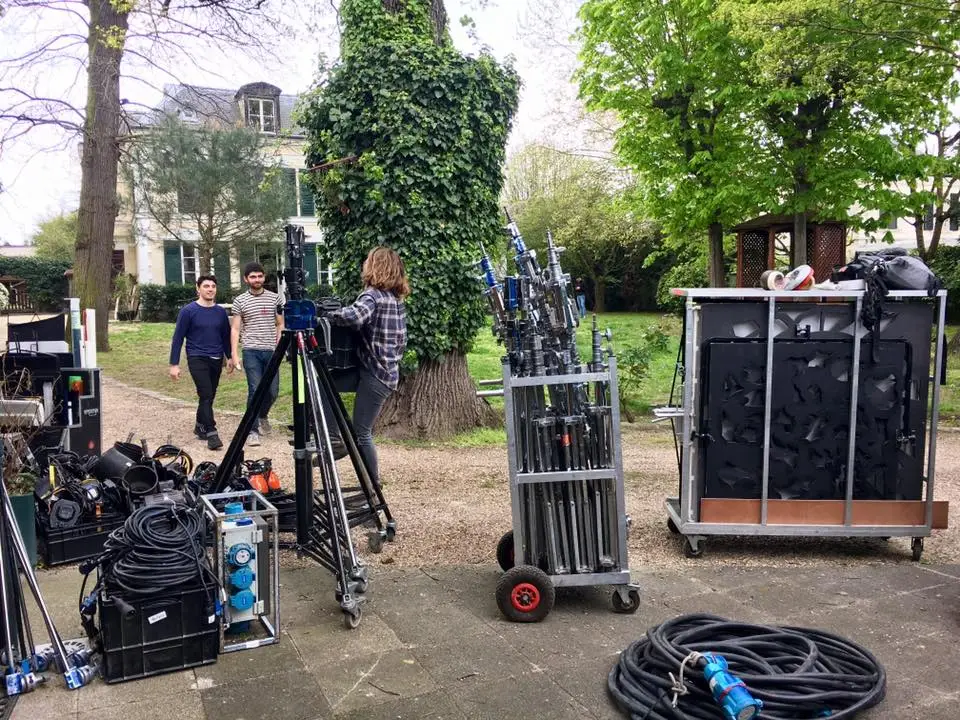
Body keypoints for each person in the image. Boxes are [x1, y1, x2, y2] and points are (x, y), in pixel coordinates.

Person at [322, 247, 408, 483]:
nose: (364, 265)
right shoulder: (394, 298)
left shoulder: (372, 296)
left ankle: (372, 486)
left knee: (362, 433)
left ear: (375, 266)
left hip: (377, 374)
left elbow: (355, 317)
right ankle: (334, 440)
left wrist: (326, 315)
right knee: (325, 383)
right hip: (376, 369)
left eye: (368, 262)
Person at [169, 275, 234, 450]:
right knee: (205, 394)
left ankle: (199, 426)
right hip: (196, 357)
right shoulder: (188, 311)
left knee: (209, 395)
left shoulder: (220, 312)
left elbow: (225, 337)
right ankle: (212, 432)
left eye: (213, 286)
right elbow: (178, 338)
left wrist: (230, 357)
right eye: (206, 286)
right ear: (198, 289)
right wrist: (174, 364)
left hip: (216, 358)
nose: (210, 289)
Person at [231, 262, 284, 447]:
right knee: (255, 389)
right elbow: (235, 329)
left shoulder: (275, 298)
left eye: (260, 276)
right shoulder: (240, 301)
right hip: (251, 350)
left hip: (271, 350)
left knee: (272, 391)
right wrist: (234, 354)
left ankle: (262, 415)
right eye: (253, 277)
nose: (257, 279)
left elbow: (280, 324)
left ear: (264, 277)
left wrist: (280, 346)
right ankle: (252, 430)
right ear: (246, 279)